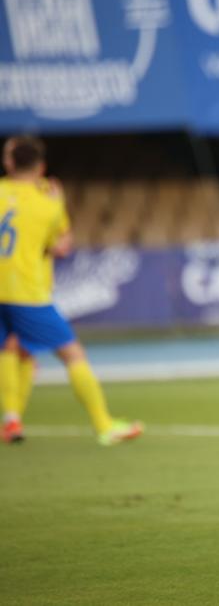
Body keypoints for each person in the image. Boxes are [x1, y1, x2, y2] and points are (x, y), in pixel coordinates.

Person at [0, 135, 143, 446]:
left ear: (8, 163)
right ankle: (105, 425)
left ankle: (10, 421)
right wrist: (57, 205)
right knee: (72, 353)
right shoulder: (47, 204)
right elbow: (61, 246)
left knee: (13, 348)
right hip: (26, 291)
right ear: (41, 167)